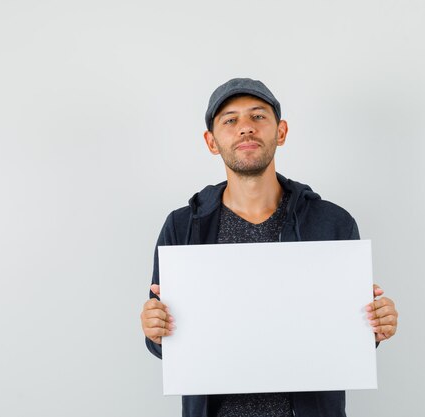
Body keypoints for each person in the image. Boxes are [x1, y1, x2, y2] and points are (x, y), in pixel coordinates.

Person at [140, 78, 398, 417]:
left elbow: (346, 338)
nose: (245, 128)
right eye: (230, 120)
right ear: (211, 141)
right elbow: (169, 347)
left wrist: (376, 325)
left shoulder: (332, 222)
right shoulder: (183, 226)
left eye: (258, 116)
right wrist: (154, 330)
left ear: (281, 132)